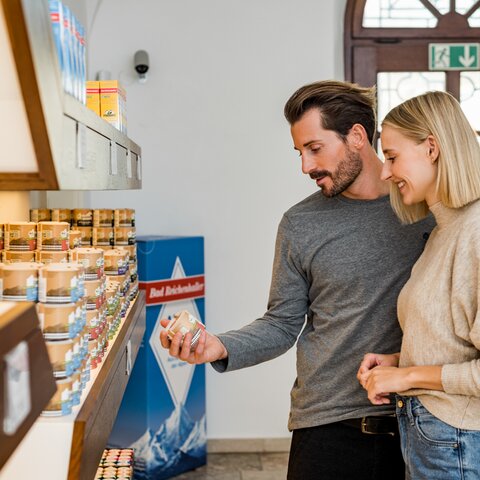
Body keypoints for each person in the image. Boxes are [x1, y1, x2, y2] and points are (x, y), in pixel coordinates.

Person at [160, 80, 434, 479]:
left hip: (423, 424)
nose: (305, 166)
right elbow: (282, 323)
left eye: (315, 148)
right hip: (328, 428)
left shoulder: (427, 210)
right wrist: (219, 347)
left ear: (357, 136)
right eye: (299, 152)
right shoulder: (300, 223)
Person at [357, 90, 480, 479]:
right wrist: (401, 360)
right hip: (433, 436)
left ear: (431, 148)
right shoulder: (445, 229)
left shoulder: (475, 232)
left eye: (392, 156)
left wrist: (406, 377)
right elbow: (455, 338)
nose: (385, 172)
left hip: (456, 441)